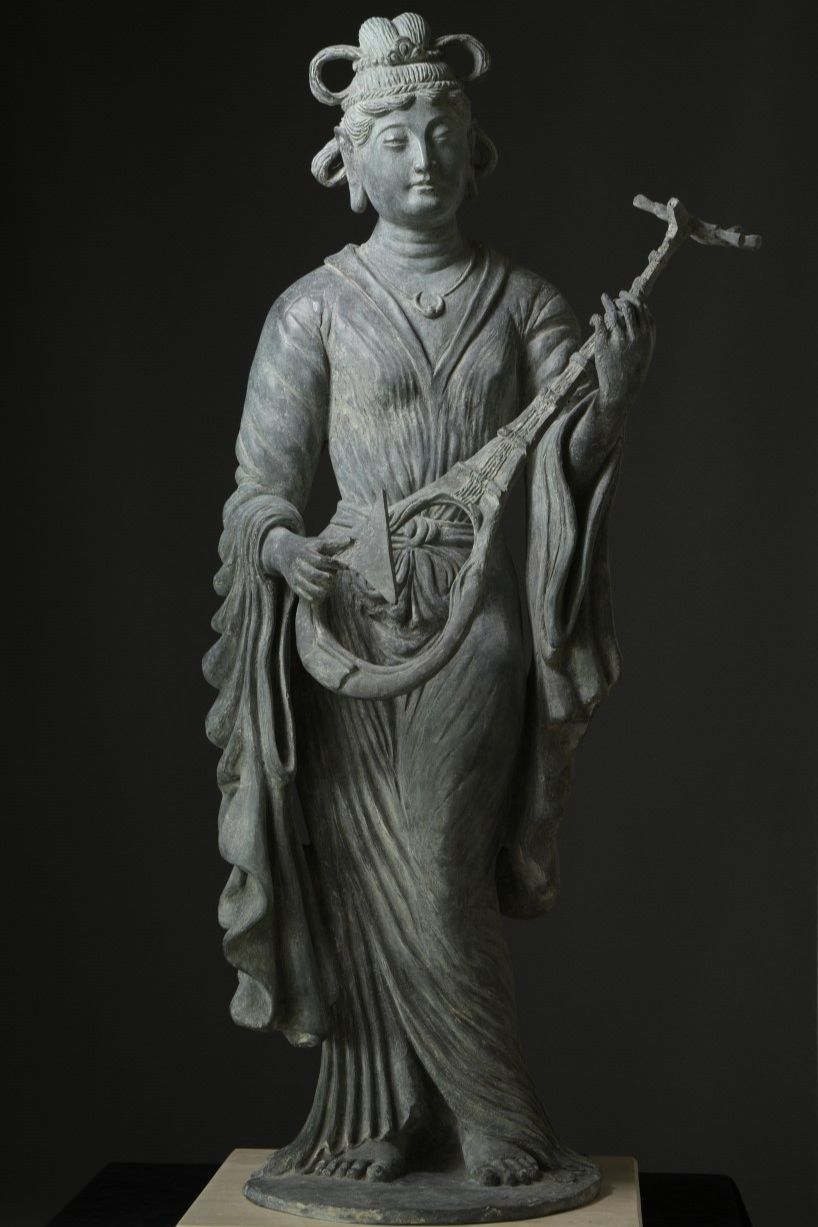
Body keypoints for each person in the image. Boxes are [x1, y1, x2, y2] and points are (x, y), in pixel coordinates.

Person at [203, 12, 654, 1193]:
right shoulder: (312, 308)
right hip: (344, 625)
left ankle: (496, 1117)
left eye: (442, 131)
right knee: (361, 879)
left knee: (437, 865)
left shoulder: (523, 302)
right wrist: (280, 545)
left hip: (473, 627)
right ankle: (389, 1114)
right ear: (349, 159)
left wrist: (608, 401)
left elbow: (559, 458)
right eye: (394, 135)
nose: (422, 157)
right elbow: (259, 483)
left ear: (474, 147)